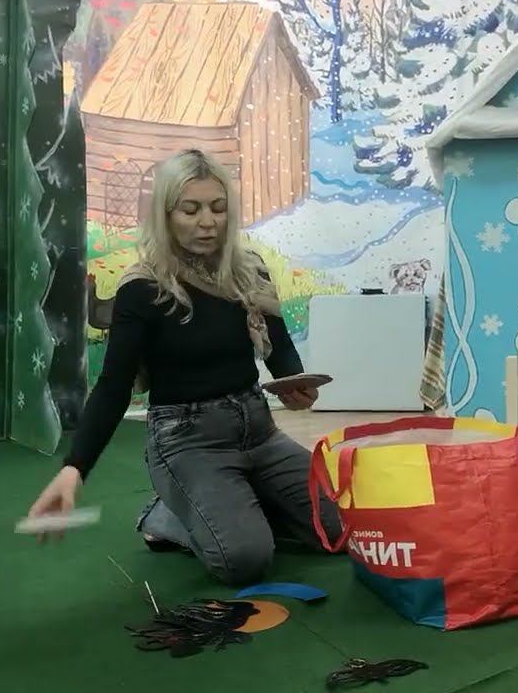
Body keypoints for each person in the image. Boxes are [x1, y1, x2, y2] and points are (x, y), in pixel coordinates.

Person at [26, 149, 342, 586]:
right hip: (188, 442)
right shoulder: (143, 287)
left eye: (218, 208)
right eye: (190, 210)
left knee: (339, 530)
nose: (207, 222)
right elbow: (114, 386)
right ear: (166, 214)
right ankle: (167, 516)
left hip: (259, 431)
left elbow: (279, 347)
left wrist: (295, 384)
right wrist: (74, 468)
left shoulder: (249, 270)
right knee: (245, 560)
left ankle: (232, 503)